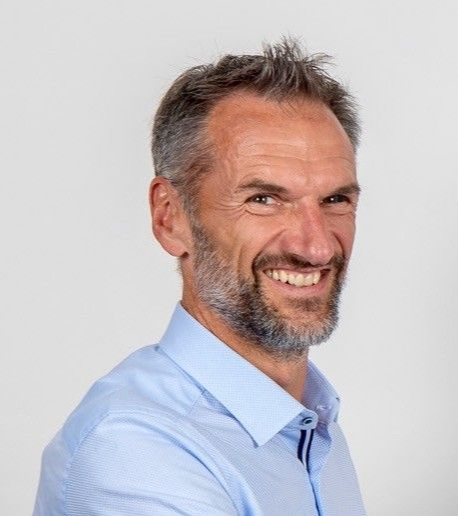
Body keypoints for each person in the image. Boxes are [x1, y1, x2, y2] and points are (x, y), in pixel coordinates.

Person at [34, 38, 366, 515]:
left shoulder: (308, 421)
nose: (315, 247)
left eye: (335, 200)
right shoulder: (135, 450)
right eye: (263, 200)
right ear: (170, 217)